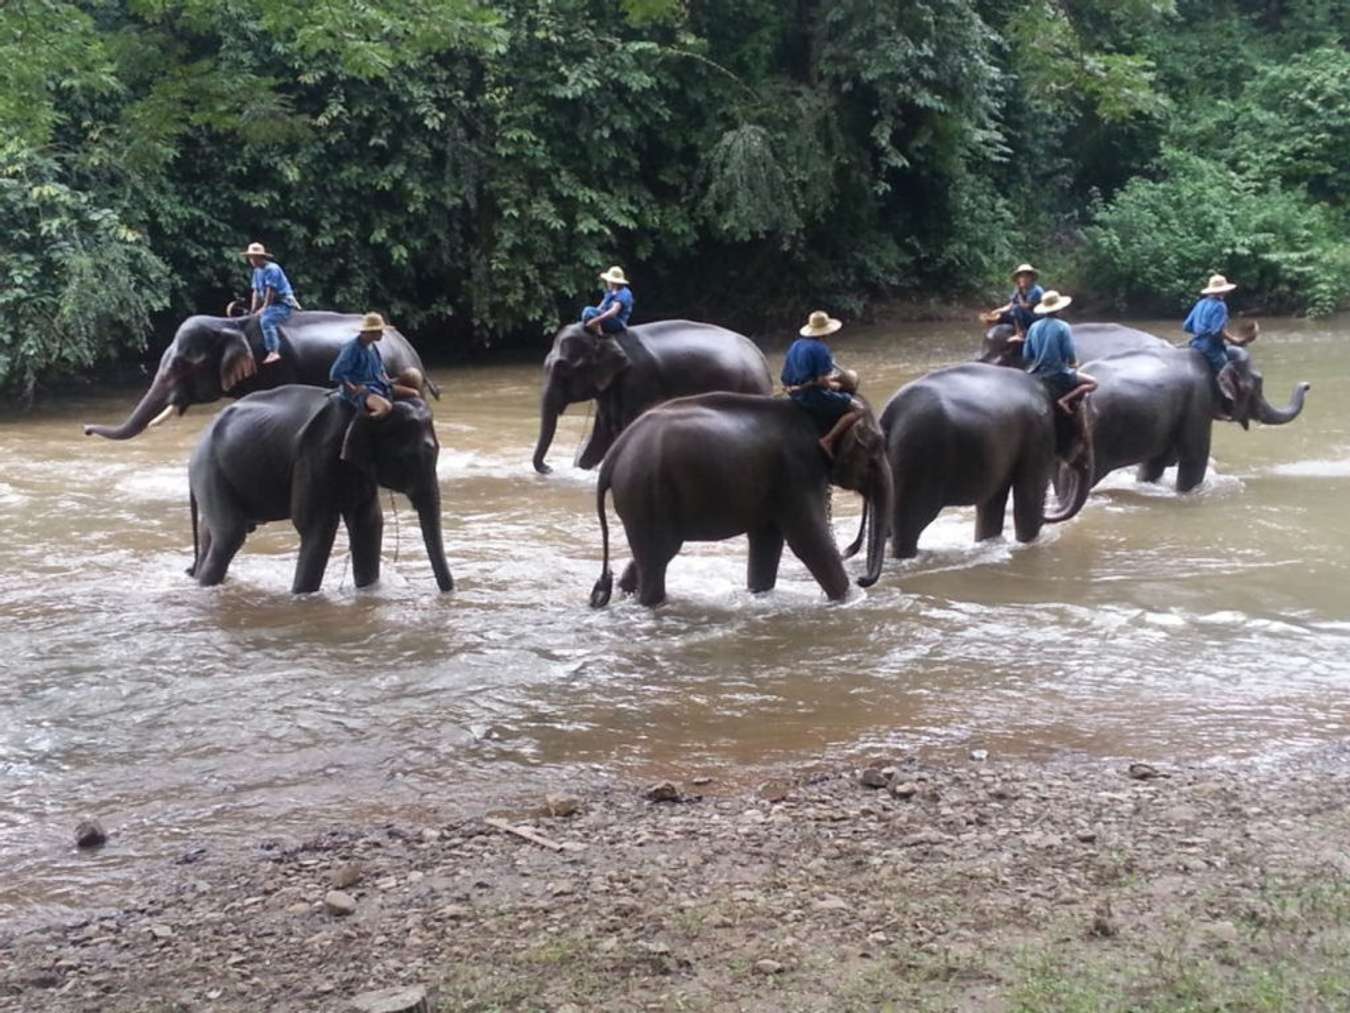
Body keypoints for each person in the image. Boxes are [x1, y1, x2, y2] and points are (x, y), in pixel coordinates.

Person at [782, 310, 864, 459]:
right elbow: (822, 382)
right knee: (858, 408)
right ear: (825, 332)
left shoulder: (796, 344)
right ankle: (828, 440)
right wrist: (836, 386)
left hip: (793, 392)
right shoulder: (821, 349)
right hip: (809, 396)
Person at [329, 313, 420, 419]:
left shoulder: (372, 346)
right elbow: (336, 373)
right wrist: (353, 388)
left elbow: (380, 369)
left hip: (379, 386)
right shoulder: (352, 349)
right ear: (369, 332)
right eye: (379, 331)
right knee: (385, 408)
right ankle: (367, 423)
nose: (382, 334)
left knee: (414, 394)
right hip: (363, 391)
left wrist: (388, 381)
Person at [1182, 274, 1256, 405]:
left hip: (1195, 344)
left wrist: (1201, 331)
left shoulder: (1201, 303)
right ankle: (1225, 404)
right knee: (1227, 373)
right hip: (1210, 347)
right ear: (1224, 290)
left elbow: (1187, 326)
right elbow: (1217, 331)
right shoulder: (1220, 306)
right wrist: (1235, 341)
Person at [1021, 290, 1096, 415]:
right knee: (1093, 382)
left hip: (1036, 372)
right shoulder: (1063, 326)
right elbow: (1069, 352)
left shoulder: (1033, 326)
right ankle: (1064, 400)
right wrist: (1073, 364)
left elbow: (1026, 355)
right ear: (1059, 309)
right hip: (1057, 373)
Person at [242, 242, 300, 366]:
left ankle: (274, 350)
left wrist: (264, 308)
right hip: (271, 304)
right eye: (250, 257)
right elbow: (256, 291)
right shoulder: (257, 271)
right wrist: (253, 310)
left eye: (254, 257)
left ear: (261, 257)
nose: (252, 260)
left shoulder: (272, 269)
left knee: (266, 320)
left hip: (282, 304)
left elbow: (271, 290)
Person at [987, 263, 1044, 335]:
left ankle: (1021, 332)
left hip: (1035, 318)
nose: (1023, 279)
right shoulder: (1019, 289)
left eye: (1026, 276)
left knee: (1016, 308)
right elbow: (1010, 305)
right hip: (1021, 316)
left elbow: (1025, 306)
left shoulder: (1036, 290)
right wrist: (997, 311)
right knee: (1002, 315)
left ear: (1031, 278)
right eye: (1021, 277)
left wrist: (1019, 293)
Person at [581, 266, 634, 335]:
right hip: (606, 317)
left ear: (614, 282)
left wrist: (595, 321)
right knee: (588, 311)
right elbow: (601, 307)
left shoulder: (624, 293)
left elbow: (613, 312)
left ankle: (600, 333)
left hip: (617, 322)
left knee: (588, 311)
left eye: (608, 281)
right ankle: (597, 327)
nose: (607, 282)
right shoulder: (610, 292)